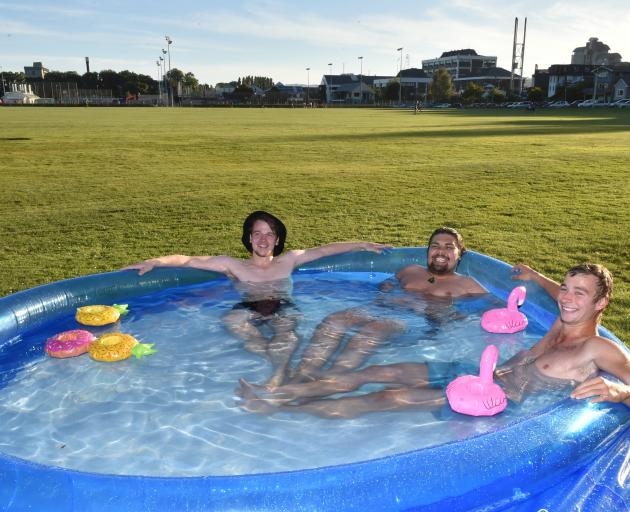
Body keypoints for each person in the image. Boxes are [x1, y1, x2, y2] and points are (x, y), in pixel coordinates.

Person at [237, 263, 630, 418]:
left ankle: (282, 410)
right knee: (376, 371)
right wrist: (536, 277)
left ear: (601, 302)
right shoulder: (562, 323)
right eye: (565, 288)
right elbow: (558, 292)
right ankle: (283, 393)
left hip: (493, 400)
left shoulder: (598, 349)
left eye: (580, 293)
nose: (566, 297)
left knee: (388, 397)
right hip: (479, 373)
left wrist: (617, 390)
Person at [126, 210, 389, 386]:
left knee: (286, 330)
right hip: (247, 306)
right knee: (233, 321)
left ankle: (277, 374)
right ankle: (276, 363)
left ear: (277, 240)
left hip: (282, 305)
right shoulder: (232, 265)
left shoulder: (289, 260)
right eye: (257, 233)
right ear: (249, 239)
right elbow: (187, 260)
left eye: (269, 234)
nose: (263, 239)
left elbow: (323, 251)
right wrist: (154, 262)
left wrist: (360, 244)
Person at [288, 227, 486, 381]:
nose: (440, 251)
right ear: (428, 250)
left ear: (460, 253)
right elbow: (389, 283)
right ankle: (303, 373)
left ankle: (329, 379)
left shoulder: (468, 285)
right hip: (382, 308)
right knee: (335, 319)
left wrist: (441, 312)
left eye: (449, 247)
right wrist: (387, 288)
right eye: (435, 245)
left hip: (417, 320)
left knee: (373, 330)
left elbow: (485, 311)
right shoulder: (410, 270)